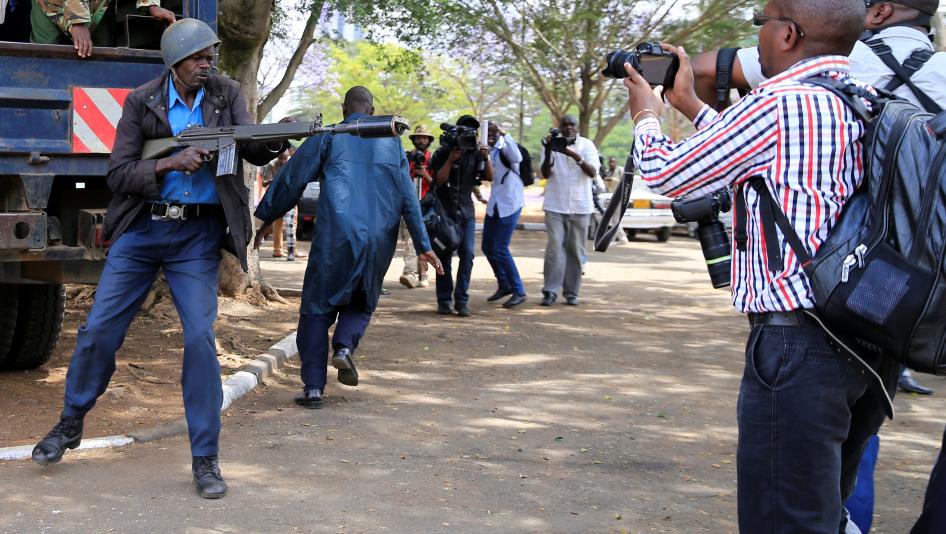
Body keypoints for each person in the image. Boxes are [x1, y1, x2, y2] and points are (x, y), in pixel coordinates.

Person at [623, 1, 901, 531]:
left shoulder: (777, 104)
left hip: (798, 347)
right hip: (865, 340)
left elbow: (665, 174)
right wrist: (692, 108)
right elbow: (768, 163)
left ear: (789, 34)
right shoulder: (863, 100)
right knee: (822, 509)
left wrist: (646, 115)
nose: (760, 36)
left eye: (762, 24)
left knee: (785, 519)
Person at [30, 19, 287, 499]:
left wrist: (275, 140)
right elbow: (119, 172)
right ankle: (71, 421)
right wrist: (170, 161)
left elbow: (251, 143)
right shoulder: (141, 100)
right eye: (197, 58)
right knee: (100, 329)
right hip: (143, 230)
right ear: (175, 62)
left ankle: (205, 458)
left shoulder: (226, 93)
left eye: (211, 56)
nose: (207, 64)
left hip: (196, 236)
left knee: (199, 338)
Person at [253, 86, 442, 409]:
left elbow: (292, 179)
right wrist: (423, 244)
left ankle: (313, 388)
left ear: (344, 109)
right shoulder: (392, 143)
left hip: (336, 237)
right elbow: (408, 198)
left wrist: (264, 220)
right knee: (363, 299)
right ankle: (343, 348)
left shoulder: (329, 135)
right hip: (379, 238)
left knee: (316, 309)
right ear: (371, 111)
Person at [430, 115, 492, 317]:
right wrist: (451, 159)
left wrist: (486, 157)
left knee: (467, 255)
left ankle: (462, 301)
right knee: (444, 255)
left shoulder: (476, 154)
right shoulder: (442, 152)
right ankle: (444, 301)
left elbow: (490, 178)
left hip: (466, 212)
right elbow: (438, 181)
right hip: (445, 212)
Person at [539, 114, 600, 307]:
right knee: (554, 249)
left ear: (576, 127)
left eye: (571, 124)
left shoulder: (587, 145)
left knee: (575, 250)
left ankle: (572, 292)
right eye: (564, 125)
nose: (568, 128)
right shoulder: (551, 145)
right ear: (559, 127)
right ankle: (550, 291)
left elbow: (593, 173)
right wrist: (550, 150)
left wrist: (573, 154)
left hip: (581, 206)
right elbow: (545, 173)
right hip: (555, 205)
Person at [482, 121, 527, 308]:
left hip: (510, 202)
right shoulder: (487, 151)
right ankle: (504, 284)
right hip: (495, 204)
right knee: (487, 246)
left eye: (493, 132)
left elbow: (516, 157)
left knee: (500, 248)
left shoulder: (507, 147)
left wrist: (503, 132)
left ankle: (519, 291)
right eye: (487, 132)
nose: (491, 135)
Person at [31, 0, 176, 58]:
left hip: (98, 6)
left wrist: (150, 4)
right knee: (43, 53)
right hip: (50, 4)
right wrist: (77, 21)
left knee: (101, 56)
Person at [399, 124, 436, 289]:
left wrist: (426, 175)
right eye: (419, 137)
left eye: (425, 137)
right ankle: (410, 273)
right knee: (409, 241)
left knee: (425, 241)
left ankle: (423, 274)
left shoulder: (433, 159)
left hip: (428, 207)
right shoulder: (408, 158)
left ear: (429, 141)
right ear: (414, 140)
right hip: (410, 205)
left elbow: (438, 185)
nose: (422, 140)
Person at [260, 147, 306, 260]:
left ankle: (291, 251)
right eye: (280, 159)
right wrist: (274, 180)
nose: (283, 162)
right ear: (277, 157)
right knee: (276, 224)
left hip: (289, 196)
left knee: (290, 223)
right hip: (276, 198)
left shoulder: (293, 162)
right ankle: (277, 250)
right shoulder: (271, 165)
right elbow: (264, 184)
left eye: (285, 159)